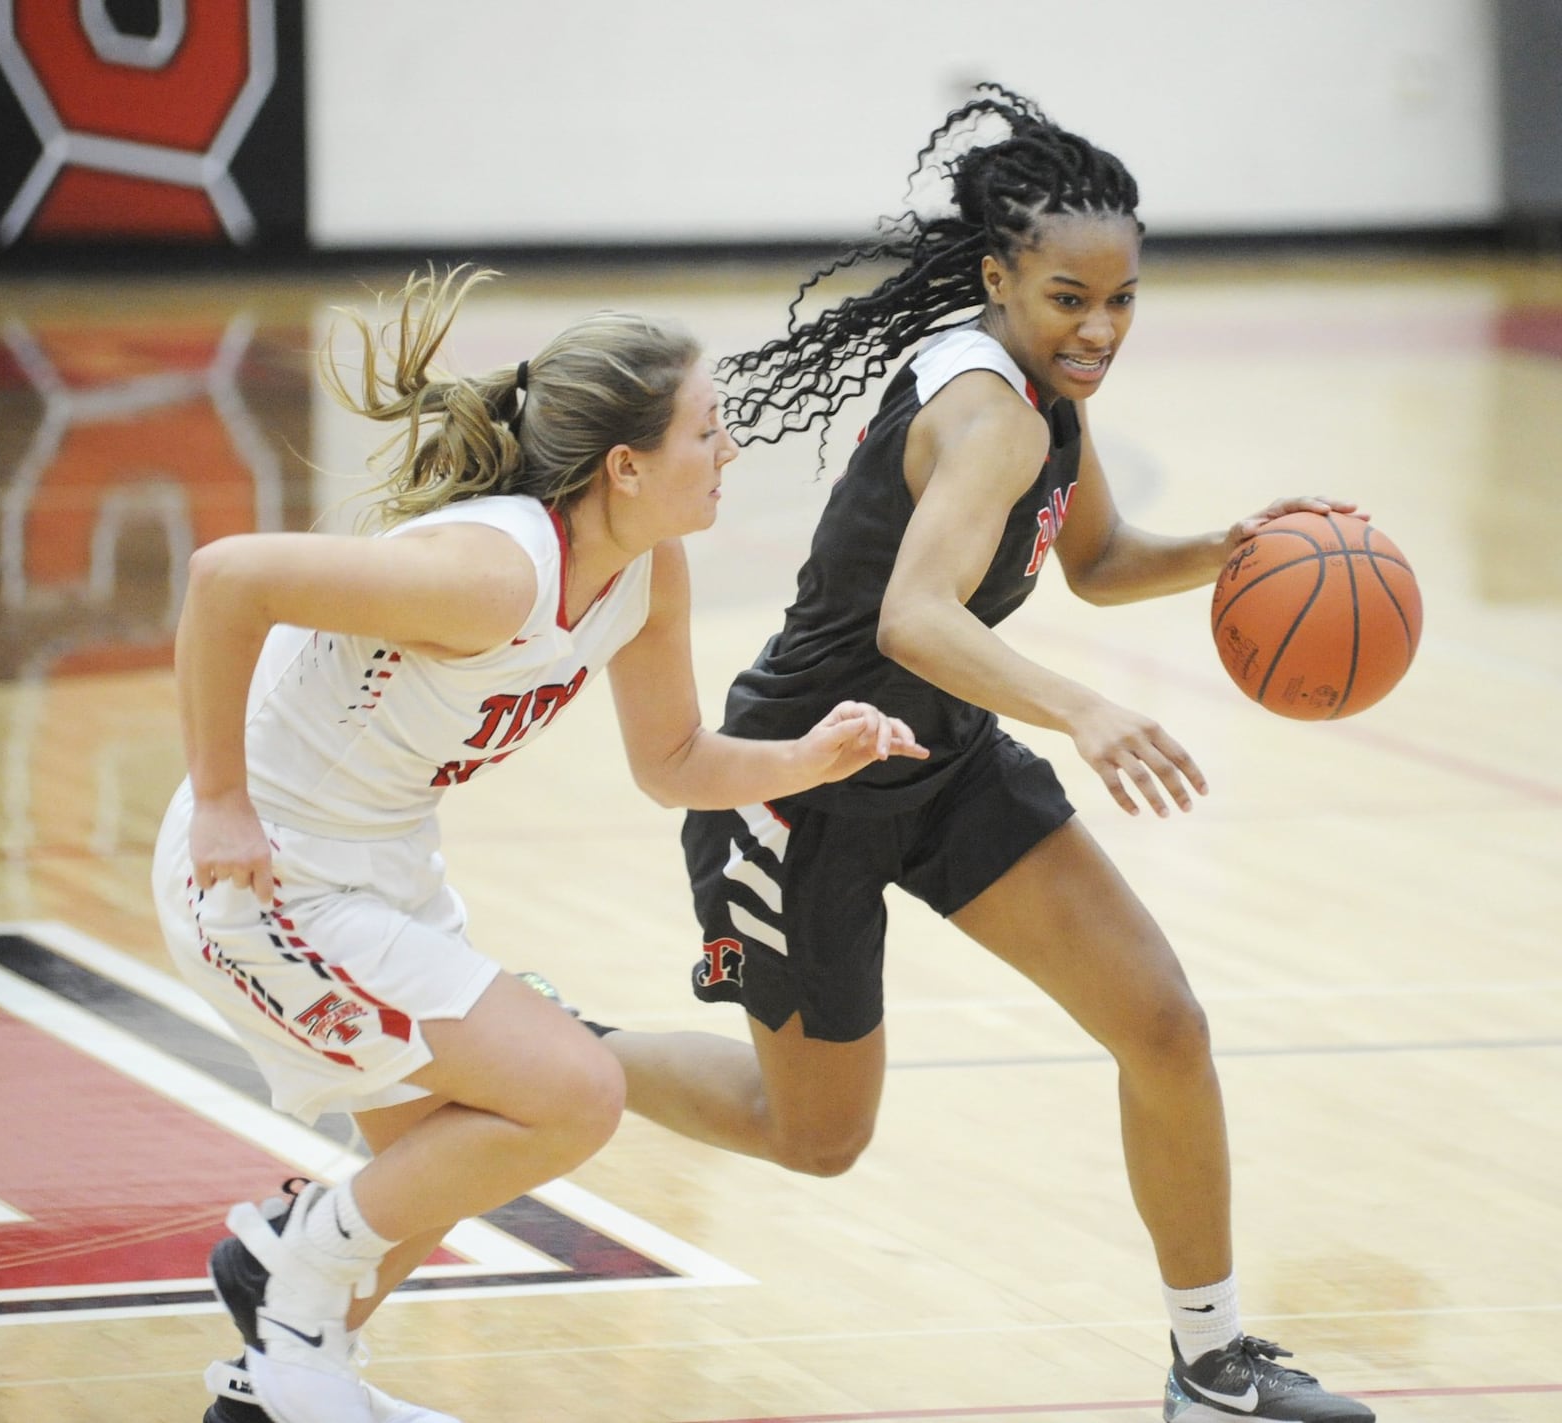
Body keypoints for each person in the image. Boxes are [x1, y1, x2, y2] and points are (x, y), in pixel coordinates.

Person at [580, 87, 1377, 1423]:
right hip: (803, 778)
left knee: (1163, 1022)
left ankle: (1210, 1357)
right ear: (1002, 277)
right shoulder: (991, 411)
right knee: (815, 1136)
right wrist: (1089, 709)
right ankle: (559, 1040)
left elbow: (1102, 558)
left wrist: (1236, 545)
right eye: (1072, 298)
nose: (1102, 329)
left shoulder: (1044, 396)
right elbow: (915, 616)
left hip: (941, 754)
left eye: (1123, 301)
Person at [150, 266, 926, 1423]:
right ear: (624, 466)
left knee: (440, 1161)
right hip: (267, 875)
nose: (729, 452)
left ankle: (275, 1395)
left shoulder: (644, 571)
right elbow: (226, 579)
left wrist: (806, 760)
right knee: (574, 1091)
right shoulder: (494, 570)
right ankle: (284, 1261)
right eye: (707, 432)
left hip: (383, 863)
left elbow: (671, 761)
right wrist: (221, 800)